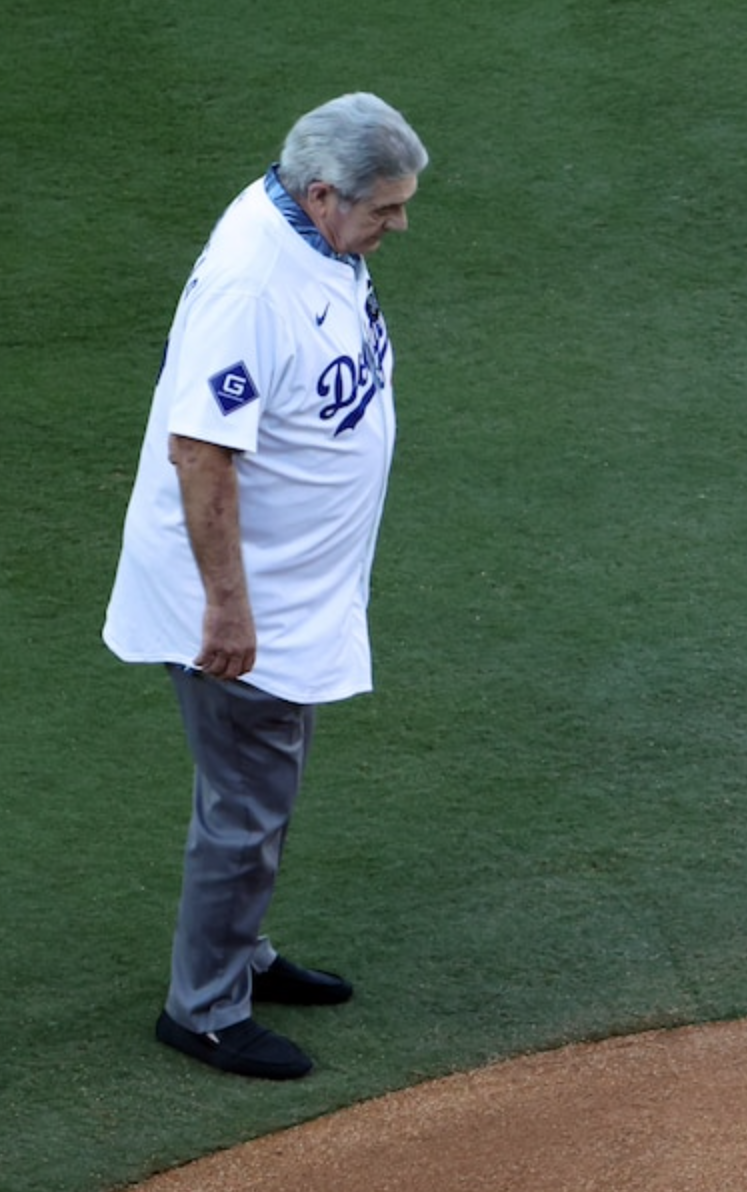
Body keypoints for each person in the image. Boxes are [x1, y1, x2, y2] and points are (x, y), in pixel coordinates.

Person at [103, 93, 429, 1080]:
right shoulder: (252, 284)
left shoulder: (318, 237)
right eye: (385, 208)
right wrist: (228, 606)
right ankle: (203, 1009)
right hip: (240, 597)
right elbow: (200, 451)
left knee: (259, 789)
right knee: (245, 805)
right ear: (322, 194)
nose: (399, 225)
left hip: (294, 585)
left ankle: (239, 949)